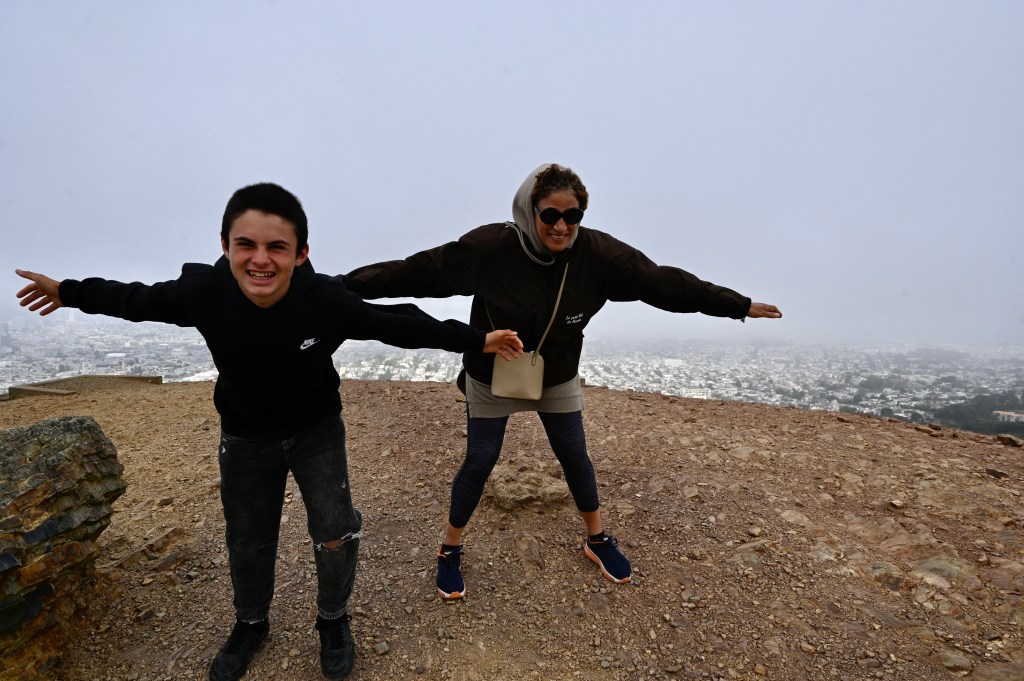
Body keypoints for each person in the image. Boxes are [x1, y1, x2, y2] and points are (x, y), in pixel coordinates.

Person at [14, 182, 523, 681]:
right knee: (248, 539)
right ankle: (251, 624)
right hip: (245, 437)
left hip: (316, 430)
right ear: (225, 247)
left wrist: (477, 339)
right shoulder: (204, 293)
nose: (261, 260)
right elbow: (136, 298)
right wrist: (68, 292)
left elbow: (400, 323)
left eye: (277, 247)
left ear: (301, 253)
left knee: (335, 531)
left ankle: (332, 619)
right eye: (246, 245)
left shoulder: (324, 300)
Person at [343, 163, 783, 600]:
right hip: (492, 372)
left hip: (556, 374)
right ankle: (450, 548)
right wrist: (340, 286)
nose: (561, 226)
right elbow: (417, 272)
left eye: (572, 216)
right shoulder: (492, 248)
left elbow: (662, 282)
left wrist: (736, 305)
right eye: (550, 214)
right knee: (480, 459)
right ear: (529, 210)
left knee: (574, 455)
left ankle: (597, 539)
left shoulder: (599, 257)